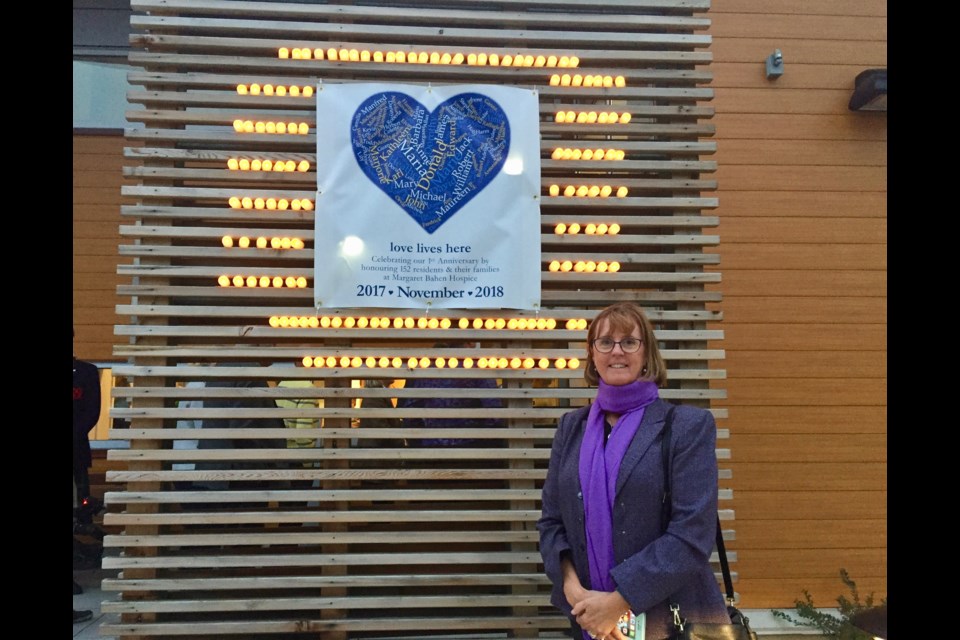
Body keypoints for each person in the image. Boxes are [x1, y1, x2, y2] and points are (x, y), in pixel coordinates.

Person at [537, 302, 730, 640]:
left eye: (629, 342)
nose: (617, 352)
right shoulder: (571, 428)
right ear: (592, 355)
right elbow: (552, 523)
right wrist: (573, 590)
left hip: (671, 621)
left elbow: (692, 533)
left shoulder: (686, 426)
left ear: (646, 354)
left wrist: (618, 602)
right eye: (605, 342)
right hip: (588, 619)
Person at [397, 342, 505, 447]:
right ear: (468, 344)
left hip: (433, 449)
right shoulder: (479, 371)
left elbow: (410, 413)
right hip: (471, 448)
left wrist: (420, 442)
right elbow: (494, 413)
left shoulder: (427, 372)